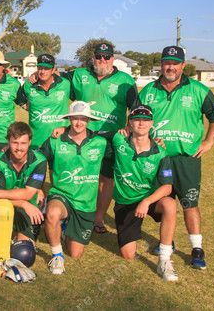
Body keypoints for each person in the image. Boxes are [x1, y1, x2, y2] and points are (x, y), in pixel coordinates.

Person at [139, 45, 214, 270]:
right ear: (161, 64)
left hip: (187, 158)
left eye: (175, 63)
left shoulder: (198, 89)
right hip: (158, 159)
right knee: (161, 203)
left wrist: (209, 142)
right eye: (167, 63)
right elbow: (137, 120)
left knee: (189, 203)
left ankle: (197, 248)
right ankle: (168, 242)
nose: (170, 67)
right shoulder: (148, 91)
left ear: (183, 65)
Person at [62, 42, 138, 235]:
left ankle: (98, 218)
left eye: (106, 56)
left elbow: (136, 108)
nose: (102, 60)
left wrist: (130, 127)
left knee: (106, 179)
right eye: (98, 56)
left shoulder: (125, 80)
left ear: (113, 59)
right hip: (83, 135)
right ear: (93, 57)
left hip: (111, 138)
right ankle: (74, 215)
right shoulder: (79, 75)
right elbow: (56, 86)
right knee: (79, 176)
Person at [104, 105, 179, 281]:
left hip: (148, 199)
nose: (141, 123)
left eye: (146, 120)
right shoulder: (118, 138)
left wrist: (146, 202)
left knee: (169, 204)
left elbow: (167, 187)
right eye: (137, 119)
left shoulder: (160, 152)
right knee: (128, 255)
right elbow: (88, 134)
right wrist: (64, 129)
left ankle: (164, 260)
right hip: (125, 202)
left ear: (152, 123)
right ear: (130, 122)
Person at [39, 101, 111, 275]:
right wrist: (39, 189)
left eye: (83, 119)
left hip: (85, 203)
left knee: (75, 253)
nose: (79, 122)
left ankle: (64, 228)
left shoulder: (100, 142)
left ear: (89, 120)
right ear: (69, 119)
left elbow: (125, 149)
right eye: (75, 118)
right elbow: (37, 161)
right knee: (53, 213)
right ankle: (57, 255)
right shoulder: (55, 140)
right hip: (62, 195)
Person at [0, 122, 48, 245]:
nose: (19, 148)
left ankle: (21, 233)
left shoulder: (39, 161)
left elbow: (28, 194)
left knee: (24, 251)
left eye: (23, 143)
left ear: (30, 142)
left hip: (29, 208)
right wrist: (23, 203)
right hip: (5, 206)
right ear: (8, 141)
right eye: (15, 143)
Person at [18, 53, 70, 148]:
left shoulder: (65, 84)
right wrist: (26, 106)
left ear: (53, 70)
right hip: (36, 143)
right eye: (40, 68)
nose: (42, 72)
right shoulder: (29, 85)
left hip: (60, 142)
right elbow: (18, 97)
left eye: (46, 69)